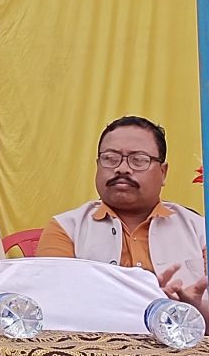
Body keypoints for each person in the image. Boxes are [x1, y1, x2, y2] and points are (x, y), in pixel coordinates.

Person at [37, 116, 206, 289]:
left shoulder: (200, 230)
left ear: (163, 173)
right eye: (110, 158)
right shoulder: (66, 229)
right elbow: (53, 296)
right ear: (98, 165)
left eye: (138, 160)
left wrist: (195, 303)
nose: (122, 169)